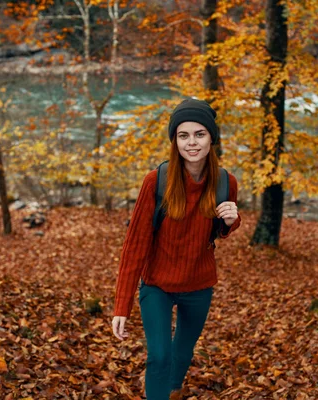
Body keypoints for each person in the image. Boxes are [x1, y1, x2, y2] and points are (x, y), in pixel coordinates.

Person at [111, 98, 241, 400]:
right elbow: (134, 246)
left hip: (199, 286)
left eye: (199, 134)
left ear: (212, 138)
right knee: (159, 356)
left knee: (181, 356)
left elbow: (221, 229)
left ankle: (169, 390)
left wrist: (232, 222)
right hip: (157, 284)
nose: (192, 143)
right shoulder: (156, 182)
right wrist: (122, 305)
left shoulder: (225, 182)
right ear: (175, 140)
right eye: (183, 135)